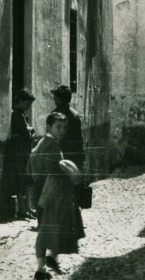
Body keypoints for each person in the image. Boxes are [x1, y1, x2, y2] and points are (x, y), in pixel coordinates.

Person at [29, 112, 85, 279]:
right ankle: (41, 270)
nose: (62, 131)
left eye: (64, 128)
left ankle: (48, 262)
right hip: (50, 192)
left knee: (52, 228)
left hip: (43, 190)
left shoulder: (44, 142)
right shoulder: (51, 145)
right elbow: (53, 171)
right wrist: (69, 174)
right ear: (49, 127)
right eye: (58, 127)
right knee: (49, 229)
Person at [9, 89, 36, 219]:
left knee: (28, 181)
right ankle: (23, 209)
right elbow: (26, 133)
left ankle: (28, 207)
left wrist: (29, 130)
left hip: (24, 152)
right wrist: (30, 130)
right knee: (21, 182)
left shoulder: (21, 114)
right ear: (20, 101)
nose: (28, 107)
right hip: (20, 153)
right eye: (27, 104)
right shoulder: (16, 114)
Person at [50, 84, 86, 171]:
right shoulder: (75, 114)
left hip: (59, 154)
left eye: (55, 96)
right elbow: (79, 137)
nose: (53, 98)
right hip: (73, 154)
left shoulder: (54, 114)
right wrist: (81, 155)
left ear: (59, 99)